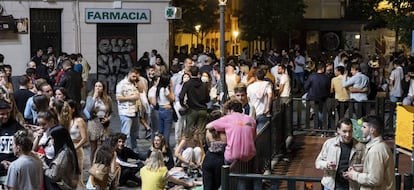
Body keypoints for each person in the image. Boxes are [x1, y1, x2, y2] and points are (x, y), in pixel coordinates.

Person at [343, 116, 395, 189]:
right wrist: (361, 169)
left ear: (372, 130)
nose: (361, 129)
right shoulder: (379, 146)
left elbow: (375, 179)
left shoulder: (376, 150)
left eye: (364, 127)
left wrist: (354, 175)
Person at [315, 118, 365, 190]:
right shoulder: (329, 144)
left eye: (350, 131)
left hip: (351, 186)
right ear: (338, 130)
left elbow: (365, 167)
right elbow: (318, 163)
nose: (347, 135)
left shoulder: (360, 147)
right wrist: (327, 164)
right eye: (344, 131)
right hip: (330, 186)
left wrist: (354, 172)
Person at [206, 99, 256, 163]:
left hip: (232, 156)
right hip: (250, 155)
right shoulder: (251, 120)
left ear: (230, 110)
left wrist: (224, 128)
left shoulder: (228, 118)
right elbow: (254, 137)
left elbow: (208, 126)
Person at [84, 81, 113, 164]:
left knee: (104, 145)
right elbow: (88, 109)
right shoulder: (90, 97)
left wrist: (108, 118)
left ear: (103, 88)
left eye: (99, 86)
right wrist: (94, 97)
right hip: (93, 123)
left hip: (104, 123)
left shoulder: (107, 99)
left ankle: (103, 162)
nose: (97, 88)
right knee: (93, 146)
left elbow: (111, 111)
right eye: (96, 86)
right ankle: (92, 164)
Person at [43, 125, 80, 190]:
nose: (51, 141)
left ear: (58, 138)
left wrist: (43, 164)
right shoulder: (67, 148)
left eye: (52, 138)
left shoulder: (63, 155)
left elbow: (53, 176)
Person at [179, 64, 210, 138]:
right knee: (201, 131)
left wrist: (183, 105)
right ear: (199, 73)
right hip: (202, 109)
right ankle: (200, 147)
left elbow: (181, 96)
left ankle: (189, 147)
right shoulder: (203, 84)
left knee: (189, 131)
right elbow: (208, 98)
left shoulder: (187, 84)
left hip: (191, 109)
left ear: (190, 73)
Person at [116, 68, 140, 150]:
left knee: (134, 133)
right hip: (126, 112)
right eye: (133, 76)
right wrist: (131, 98)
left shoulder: (134, 84)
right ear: (129, 74)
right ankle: (123, 151)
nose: (135, 78)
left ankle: (134, 150)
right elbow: (118, 98)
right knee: (126, 134)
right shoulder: (121, 84)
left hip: (135, 111)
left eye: (136, 77)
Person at [202, 110, 226, 190]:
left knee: (207, 186)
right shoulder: (225, 131)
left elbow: (208, 144)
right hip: (220, 159)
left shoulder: (208, 131)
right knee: (218, 185)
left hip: (208, 158)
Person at [148, 74, 175, 145]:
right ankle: (165, 146)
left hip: (160, 110)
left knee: (161, 130)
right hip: (167, 110)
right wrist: (171, 88)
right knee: (167, 130)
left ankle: (159, 145)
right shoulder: (165, 89)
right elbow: (172, 99)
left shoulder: (158, 89)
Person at [0, 99, 24, 177]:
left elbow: (23, 149)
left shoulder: (16, 126)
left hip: (13, 169)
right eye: (2, 114)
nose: (6, 116)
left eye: (8, 113)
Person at [67, 99, 88, 188]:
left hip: (77, 148)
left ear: (73, 109)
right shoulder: (66, 120)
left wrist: (75, 148)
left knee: (78, 175)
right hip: (67, 148)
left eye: (67, 108)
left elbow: (84, 138)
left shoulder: (79, 121)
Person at [246, 68, 273, 132]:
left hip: (252, 113)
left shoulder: (250, 87)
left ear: (255, 76)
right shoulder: (267, 84)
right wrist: (268, 107)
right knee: (262, 133)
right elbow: (270, 95)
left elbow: (248, 98)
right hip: (263, 112)